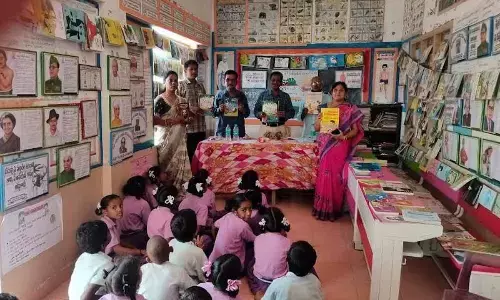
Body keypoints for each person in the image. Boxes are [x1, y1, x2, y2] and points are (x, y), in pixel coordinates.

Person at [312, 82, 364, 221]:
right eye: (335, 90)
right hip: (325, 146)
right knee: (324, 175)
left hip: (340, 145)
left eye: (341, 90)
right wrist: (318, 120)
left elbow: (355, 130)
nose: (338, 93)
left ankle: (334, 209)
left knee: (336, 177)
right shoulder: (323, 107)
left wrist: (343, 136)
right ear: (331, 92)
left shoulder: (351, 108)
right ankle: (321, 208)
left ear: (346, 93)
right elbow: (317, 128)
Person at [154, 71, 192, 191]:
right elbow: (155, 120)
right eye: (170, 80)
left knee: (179, 166)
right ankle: (166, 192)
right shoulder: (160, 100)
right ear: (164, 82)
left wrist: (187, 120)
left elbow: (185, 118)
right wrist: (174, 121)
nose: (174, 83)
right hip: (165, 140)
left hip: (180, 139)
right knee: (165, 166)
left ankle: (178, 190)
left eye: (176, 80)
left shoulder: (182, 100)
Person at [248, 207, 292, 298]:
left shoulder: (258, 238)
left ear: (263, 224)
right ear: (283, 224)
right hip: (280, 281)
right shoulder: (288, 242)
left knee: (250, 265)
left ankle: (259, 291)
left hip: (260, 279)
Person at [68, 221, 114, 300]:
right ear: (103, 242)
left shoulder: (82, 257)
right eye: (108, 231)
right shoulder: (107, 264)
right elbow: (85, 297)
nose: (110, 232)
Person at [210, 194, 256, 269]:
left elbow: (214, 225)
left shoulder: (228, 215)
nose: (248, 213)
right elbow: (255, 239)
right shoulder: (243, 226)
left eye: (250, 209)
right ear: (235, 210)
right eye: (244, 210)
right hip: (233, 265)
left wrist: (215, 240)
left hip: (215, 260)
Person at [178, 60, 207, 162]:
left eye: (196, 69)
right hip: (188, 129)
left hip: (201, 127)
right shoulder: (180, 85)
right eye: (191, 69)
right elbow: (178, 107)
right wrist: (189, 111)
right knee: (189, 157)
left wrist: (205, 107)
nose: (194, 71)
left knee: (201, 157)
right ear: (185, 70)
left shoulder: (200, 86)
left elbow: (205, 104)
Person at [169, 209, 209, 283]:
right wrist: (199, 250)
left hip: (174, 282)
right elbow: (204, 276)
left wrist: (196, 249)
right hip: (191, 287)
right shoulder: (198, 253)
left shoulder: (171, 243)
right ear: (195, 230)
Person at [254, 72, 295, 139]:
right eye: (273, 80)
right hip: (265, 128)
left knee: (281, 149)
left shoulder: (285, 96)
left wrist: (285, 114)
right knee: (263, 148)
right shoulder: (263, 95)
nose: (275, 82)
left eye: (278, 80)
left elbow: (292, 112)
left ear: (281, 82)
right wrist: (260, 114)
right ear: (270, 81)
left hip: (280, 128)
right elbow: (256, 110)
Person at [213, 70, 250, 138]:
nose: (230, 82)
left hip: (238, 132)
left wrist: (243, 110)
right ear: (224, 81)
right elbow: (213, 113)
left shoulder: (241, 95)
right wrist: (219, 109)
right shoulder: (219, 95)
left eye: (233, 80)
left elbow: (247, 113)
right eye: (228, 80)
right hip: (222, 132)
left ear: (236, 81)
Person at [119, 176, 151, 250]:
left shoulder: (124, 200)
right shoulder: (143, 203)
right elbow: (148, 223)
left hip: (123, 235)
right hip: (137, 235)